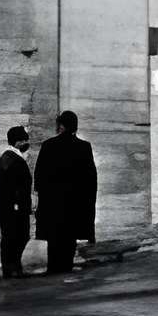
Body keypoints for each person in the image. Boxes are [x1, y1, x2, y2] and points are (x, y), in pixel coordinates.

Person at [32, 110, 96, 274]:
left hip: (53, 204)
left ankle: (54, 269)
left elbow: (39, 176)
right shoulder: (84, 147)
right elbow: (90, 180)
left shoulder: (48, 145)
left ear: (61, 125)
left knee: (54, 240)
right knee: (70, 238)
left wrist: (43, 197)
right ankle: (66, 268)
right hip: (74, 205)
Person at [0, 124, 34, 276]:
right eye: (24, 140)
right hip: (15, 207)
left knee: (12, 236)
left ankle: (11, 268)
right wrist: (17, 204)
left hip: (11, 206)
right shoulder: (13, 159)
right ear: (17, 142)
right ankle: (12, 268)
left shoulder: (8, 157)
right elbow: (14, 186)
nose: (26, 143)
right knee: (18, 236)